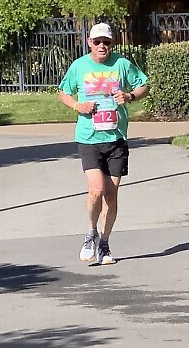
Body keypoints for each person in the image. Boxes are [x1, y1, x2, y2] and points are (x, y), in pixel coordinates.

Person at [58, 22, 149, 265]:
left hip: (116, 138)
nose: (101, 46)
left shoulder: (122, 64)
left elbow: (144, 86)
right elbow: (63, 92)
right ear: (89, 42)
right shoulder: (79, 66)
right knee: (96, 190)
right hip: (89, 138)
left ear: (112, 43)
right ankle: (91, 233)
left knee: (111, 194)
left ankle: (105, 243)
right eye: (97, 42)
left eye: (106, 42)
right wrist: (78, 106)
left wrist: (129, 96)